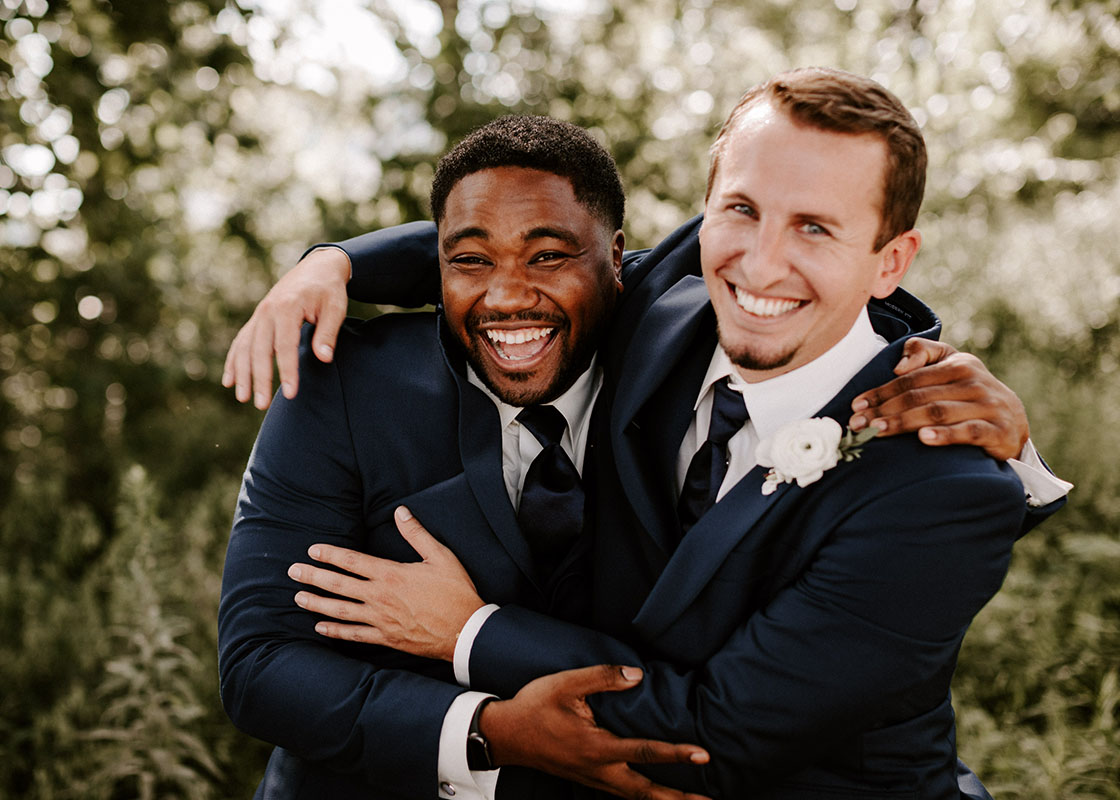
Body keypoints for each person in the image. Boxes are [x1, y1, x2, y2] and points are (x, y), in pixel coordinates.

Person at [257, 70, 1069, 799]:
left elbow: (717, 735)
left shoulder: (940, 485)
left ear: (891, 262)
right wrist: (334, 265)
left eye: (815, 228)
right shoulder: (665, 313)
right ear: (705, 212)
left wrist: (466, 632)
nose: (761, 263)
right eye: (742, 211)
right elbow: (525, 251)